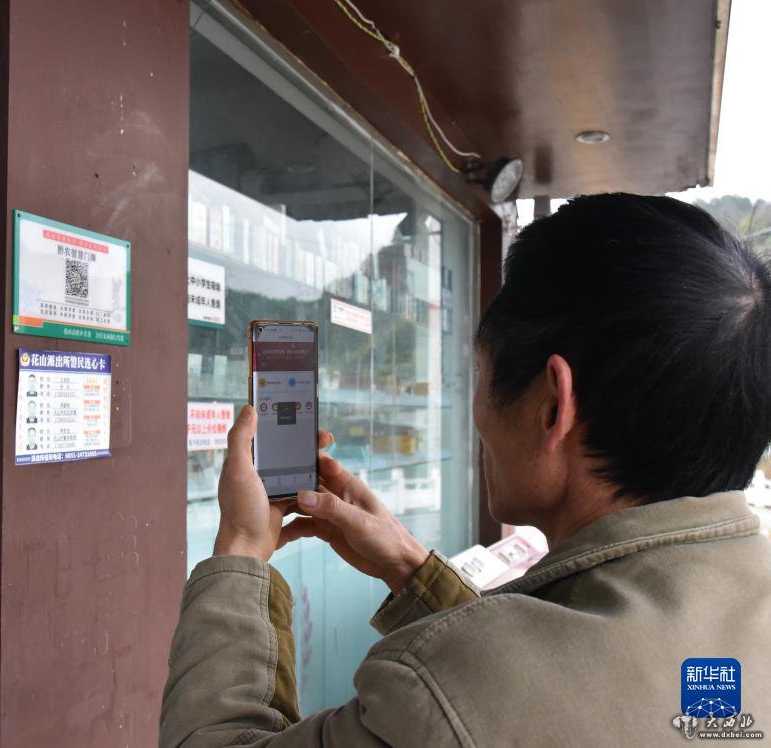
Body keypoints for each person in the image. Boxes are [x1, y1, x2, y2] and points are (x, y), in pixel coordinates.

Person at [161, 194, 771, 746]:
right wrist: (410, 571)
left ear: (552, 406)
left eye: (478, 372)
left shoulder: (437, 692)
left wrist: (241, 548)